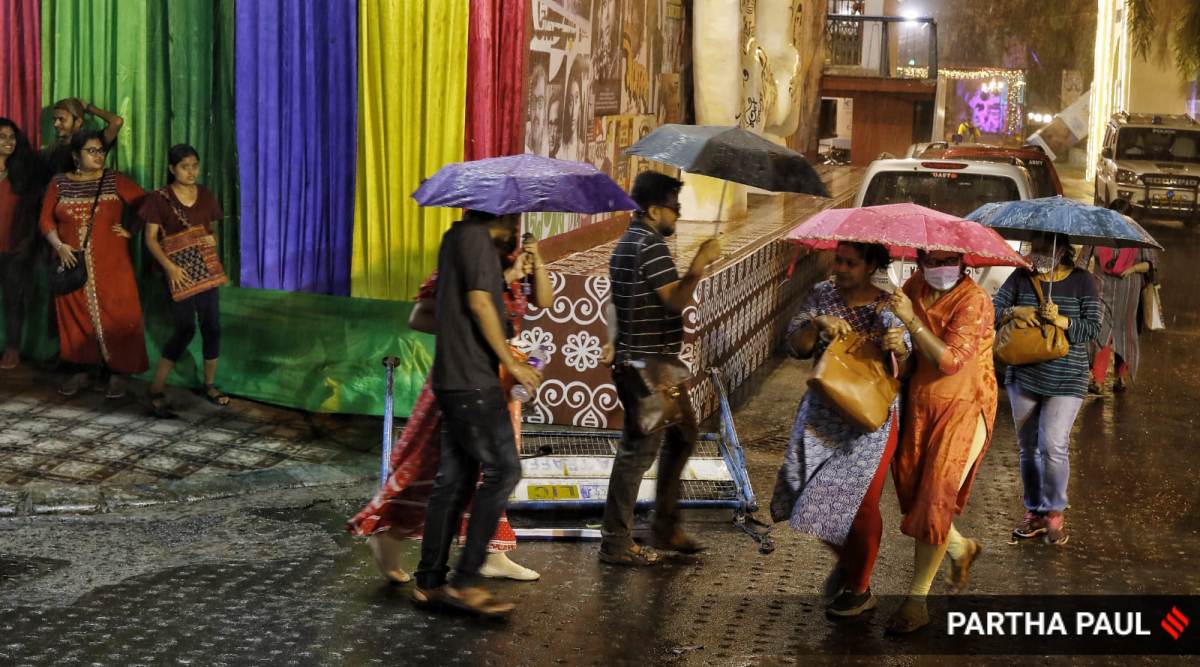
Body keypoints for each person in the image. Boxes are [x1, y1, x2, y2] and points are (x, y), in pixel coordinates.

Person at [348, 231, 551, 584]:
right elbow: (421, 317)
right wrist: (476, 326)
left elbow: (544, 301)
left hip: (497, 381)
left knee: (491, 472)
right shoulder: (463, 263)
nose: (508, 230)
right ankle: (392, 538)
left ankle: (488, 553)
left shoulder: (512, 263)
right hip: (458, 378)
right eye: (500, 222)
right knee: (433, 469)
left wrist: (535, 261)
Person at [411, 210, 542, 617]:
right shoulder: (478, 241)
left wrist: (512, 272)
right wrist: (512, 362)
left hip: (454, 377)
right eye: (515, 218)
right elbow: (480, 302)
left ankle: (430, 581)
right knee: (505, 470)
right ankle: (466, 581)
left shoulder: (458, 237)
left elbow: (472, 295)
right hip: (473, 378)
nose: (517, 228)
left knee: (455, 480)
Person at [777, 242, 911, 617]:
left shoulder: (889, 304)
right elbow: (796, 347)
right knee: (808, 495)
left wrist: (897, 346)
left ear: (871, 266)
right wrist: (817, 324)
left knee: (862, 505)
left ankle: (860, 587)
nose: (840, 268)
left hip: (871, 419)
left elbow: (907, 358)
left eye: (850, 263)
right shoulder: (822, 295)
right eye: (838, 260)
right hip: (823, 414)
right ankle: (850, 561)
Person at [598, 171, 721, 566]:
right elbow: (673, 301)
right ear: (654, 210)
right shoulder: (648, 246)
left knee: (685, 432)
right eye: (674, 207)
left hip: (655, 364)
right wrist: (699, 263)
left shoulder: (631, 243)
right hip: (646, 367)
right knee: (638, 451)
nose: (678, 215)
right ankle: (616, 542)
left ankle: (665, 524)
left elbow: (624, 302)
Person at [886, 250, 998, 633]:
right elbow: (904, 346)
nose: (940, 266)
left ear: (965, 261)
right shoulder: (913, 287)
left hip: (965, 406)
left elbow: (950, 360)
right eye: (932, 259)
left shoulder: (975, 300)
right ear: (919, 258)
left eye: (948, 259)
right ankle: (960, 548)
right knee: (915, 494)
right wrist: (897, 341)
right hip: (919, 404)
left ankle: (916, 601)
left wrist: (911, 322)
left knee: (935, 497)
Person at [993, 233, 1101, 547]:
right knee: (1028, 448)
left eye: (1044, 248)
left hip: (1067, 377)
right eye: (1035, 248)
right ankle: (1034, 512)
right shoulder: (1021, 277)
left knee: (1053, 445)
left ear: (1063, 251)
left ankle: (1054, 511)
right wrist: (1016, 312)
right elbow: (993, 309)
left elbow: (1093, 328)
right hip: (1023, 374)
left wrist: (1063, 320)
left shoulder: (1083, 281)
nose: (1037, 254)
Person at [39, 131, 148, 398]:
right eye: (91, 151)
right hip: (71, 265)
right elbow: (45, 221)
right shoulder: (59, 183)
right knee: (76, 316)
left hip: (112, 265)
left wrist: (131, 229)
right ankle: (82, 371)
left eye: (101, 150)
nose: (99, 156)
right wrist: (59, 246)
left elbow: (147, 204)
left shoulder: (114, 180)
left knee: (118, 315)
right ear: (76, 156)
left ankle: (118, 374)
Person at [137, 144, 228, 416]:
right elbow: (150, 239)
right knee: (185, 328)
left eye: (195, 166)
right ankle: (156, 386)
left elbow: (212, 234)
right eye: (185, 167)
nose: (191, 172)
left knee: (212, 326)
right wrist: (170, 268)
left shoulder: (207, 195)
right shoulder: (158, 199)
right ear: (172, 169)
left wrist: (213, 240)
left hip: (205, 271)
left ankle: (210, 385)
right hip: (177, 272)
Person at [1080, 201, 1157, 394]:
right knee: (1100, 331)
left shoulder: (1138, 235)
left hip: (1128, 293)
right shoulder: (1097, 233)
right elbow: (1082, 260)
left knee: (1124, 333)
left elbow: (1151, 264)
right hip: (1101, 289)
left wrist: (1132, 268)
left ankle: (1121, 377)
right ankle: (1097, 380)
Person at [0, 118, 39, 370]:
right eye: (2, 137)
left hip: (14, 250)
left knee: (14, 300)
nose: (9, 142)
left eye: (12, 137)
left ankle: (12, 350)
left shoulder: (22, 174)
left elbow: (35, 213)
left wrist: (27, 243)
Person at [44, 98, 124, 176]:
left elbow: (117, 122)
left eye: (62, 119)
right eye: (54, 119)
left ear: (78, 122)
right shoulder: (53, 150)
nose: (56, 124)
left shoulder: (93, 144)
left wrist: (89, 108)